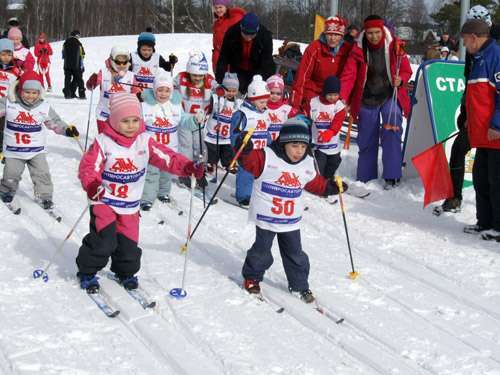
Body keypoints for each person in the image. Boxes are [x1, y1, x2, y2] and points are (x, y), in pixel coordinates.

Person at [75, 93, 204, 293]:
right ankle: (87, 271)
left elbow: (167, 158)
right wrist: (93, 185)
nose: (131, 125)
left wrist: (188, 167)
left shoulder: (145, 141)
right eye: (125, 121)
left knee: (129, 244)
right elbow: (88, 167)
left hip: (130, 204)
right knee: (104, 241)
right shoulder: (103, 142)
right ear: (115, 120)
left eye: (135, 120)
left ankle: (125, 272)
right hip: (105, 200)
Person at [235, 118, 346, 303]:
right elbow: (248, 161)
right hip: (267, 217)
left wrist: (330, 188)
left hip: (290, 220)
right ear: (284, 142)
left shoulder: (307, 163)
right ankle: (252, 278)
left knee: (295, 254)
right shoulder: (267, 157)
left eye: (303, 147)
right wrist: (244, 148)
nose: (299, 151)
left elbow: (315, 183)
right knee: (261, 252)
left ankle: (299, 285)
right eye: (294, 146)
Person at [435, 5, 497, 215]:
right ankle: (455, 198)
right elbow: (470, 83)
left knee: (491, 173)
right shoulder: (474, 50)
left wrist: (495, 122)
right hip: (477, 116)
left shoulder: (492, 49)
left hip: (493, 121)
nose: (465, 43)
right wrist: (466, 111)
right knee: (464, 154)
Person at [340, 15, 412, 188]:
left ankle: (392, 175)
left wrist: (400, 79)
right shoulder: (358, 48)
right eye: (370, 33)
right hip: (366, 97)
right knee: (366, 137)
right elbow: (349, 75)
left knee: (392, 130)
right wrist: (342, 97)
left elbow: (406, 70)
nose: (373, 36)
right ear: (365, 32)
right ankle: (366, 176)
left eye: (377, 32)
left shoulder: (394, 45)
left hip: (389, 95)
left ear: (382, 30)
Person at [0, 71, 79, 209]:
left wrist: (67, 130)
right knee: (11, 174)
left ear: (40, 92)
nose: (31, 96)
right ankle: (6, 191)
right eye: (27, 92)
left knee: (42, 175)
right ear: (20, 90)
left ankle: (44, 197)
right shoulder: (8, 102)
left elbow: (55, 123)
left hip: (36, 150)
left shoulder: (43, 107)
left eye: (34, 93)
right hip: (14, 151)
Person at [460, 19, 500, 241]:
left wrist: (497, 124)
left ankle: (498, 226)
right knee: (481, 178)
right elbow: (478, 96)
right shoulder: (478, 58)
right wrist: (469, 119)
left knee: (497, 181)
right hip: (482, 134)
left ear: (474, 38)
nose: (465, 45)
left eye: (465, 41)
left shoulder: (496, 57)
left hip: (495, 134)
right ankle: (484, 221)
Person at [140, 73, 198, 210]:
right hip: (152, 150)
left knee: (166, 173)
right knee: (151, 174)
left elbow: (184, 121)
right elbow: (138, 124)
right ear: (154, 90)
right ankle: (147, 198)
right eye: (160, 90)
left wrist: (195, 120)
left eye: (167, 90)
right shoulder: (145, 106)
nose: (163, 94)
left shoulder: (176, 106)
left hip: (170, 148)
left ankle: (163, 192)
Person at [291, 16, 351, 113]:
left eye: (336, 35)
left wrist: (347, 99)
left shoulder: (347, 50)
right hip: (314, 92)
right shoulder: (314, 48)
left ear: (342, 36)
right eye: (329, 34)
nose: (333, 38)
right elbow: (302, 77)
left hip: (335, 94)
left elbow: (350, 77)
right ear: (325, 34)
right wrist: (296, 104)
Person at [174, 51, 214, 189]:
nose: (197, 78)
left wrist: (222, 90)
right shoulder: (181, 78)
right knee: (186, 147)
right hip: (185, 120)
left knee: (200, 147)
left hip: (200, 121)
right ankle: (184, 172)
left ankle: (199, 172)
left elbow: (221, 88)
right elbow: (168, 84)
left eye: (200, 75)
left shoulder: (209, 80)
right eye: (194, 74)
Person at [230, 75, 271, 207]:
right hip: (247, 151)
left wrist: (271, 144)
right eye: (261, 102)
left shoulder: (264, 112)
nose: (264, 105)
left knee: (260, 175)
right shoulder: (243, 113)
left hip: (262, 151)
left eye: (266, 101)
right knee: (246, 174)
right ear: (253, 100)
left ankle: (257, 195)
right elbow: (234, 132)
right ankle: (244, 197)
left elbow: (266, 131)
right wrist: (238, 143)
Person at [216, 12, 275, 94]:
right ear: (241, 28)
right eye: (245, 34)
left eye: (252, 35)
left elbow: (267, 61)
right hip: (237, 68)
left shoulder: (265, 36)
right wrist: (220, 80)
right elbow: (223, 58)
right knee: (237, 90)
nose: (248, 38)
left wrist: (258, 80)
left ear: (257, 31)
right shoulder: (231, 33)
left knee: (254, 91)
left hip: (258, 68)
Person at [86, 45, 137, 133]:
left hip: (122, 116)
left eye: (124, 62)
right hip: (104, 114)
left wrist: (140, 95)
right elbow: (90, 86)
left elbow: (136, 92)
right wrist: (92, 82)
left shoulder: (131, 76)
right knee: (105, 140)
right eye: (118, 62)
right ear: (112, 60)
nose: (121, 65)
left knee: (118, 142)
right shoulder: (104, 73)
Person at [309, 75, 346, 179]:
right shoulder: (314, 102)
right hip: (318, 144)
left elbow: (338, 122)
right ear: (324, 92)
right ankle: (319, 181)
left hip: (333, 144)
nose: (333, 97)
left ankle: (328, 180)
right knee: (319, 165)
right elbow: (308, 115)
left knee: (333, 163)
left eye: (335, 95)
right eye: (330, 94)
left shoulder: (339, 106)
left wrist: (330, 132)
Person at [204, 72, 241, 173]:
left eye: (234, 91)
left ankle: (229, 164)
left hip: (226, 135)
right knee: (212, 150)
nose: (231, 93)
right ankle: (211, 163)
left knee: (228, 150)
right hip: (213, 133)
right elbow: (207, 107)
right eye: (228, 90)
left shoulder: (237, 104)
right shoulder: (216, 98)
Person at [212, 0, 245, 71]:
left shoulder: (235, 18)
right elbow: (216, 45)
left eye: (220, 7)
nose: (218, 10)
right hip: (218, 61)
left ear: (226, 7)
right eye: (216, 7)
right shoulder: (217, 23)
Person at [0, 38, 20, 154]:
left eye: (9, 54)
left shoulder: (15, 70)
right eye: (3, 54)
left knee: (6, 126)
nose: (6, 57)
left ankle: (5, 148)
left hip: (8, 103)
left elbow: (20, 85)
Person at [266, 74, 293, 142]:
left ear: (282, 93)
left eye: (278, 94)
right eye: (272, 93)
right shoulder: (262, 107)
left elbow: (298, 117)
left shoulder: (287, 108)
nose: (275, 96)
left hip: (280, 142)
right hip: (264, 141)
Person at [62, 30, 85, 99]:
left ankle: (67, 93)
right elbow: (82, 54)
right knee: (78, 79)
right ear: (77, 35)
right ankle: (82, 94)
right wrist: (82, 65)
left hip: (67, 65)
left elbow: (63, 54)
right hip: (76, 65)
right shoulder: (78, 43)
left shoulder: (65, 43)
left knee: (67, 79)